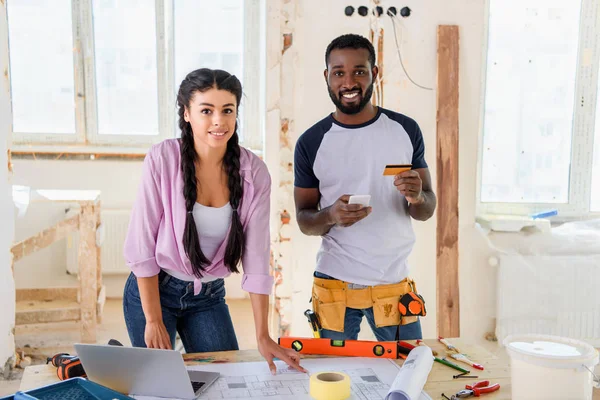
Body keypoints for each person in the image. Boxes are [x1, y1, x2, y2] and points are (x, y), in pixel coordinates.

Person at [123, 68, 305, 374]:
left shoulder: (253, 172)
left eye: (227, 110)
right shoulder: (162, 159)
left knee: (225, 381)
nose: (218, 121)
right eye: (206, 110)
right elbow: (142, 246)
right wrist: (153, 319)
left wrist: (263, 335)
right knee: (160, 384)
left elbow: (257, 256)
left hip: (208, 296)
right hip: (155, 290)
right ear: (186, 113)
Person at [293, 34, 437, 341]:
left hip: (393, 282)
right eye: (338, 72)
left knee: (407, 373)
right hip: (334, 284)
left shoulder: (405, 130)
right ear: (327, 77)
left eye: (359, 71)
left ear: (375, 73)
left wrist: (417, 196)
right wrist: (331, 215)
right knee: (335, 379)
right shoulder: (311, 141)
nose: (349, 82)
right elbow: (305, 221)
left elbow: (427, 210)